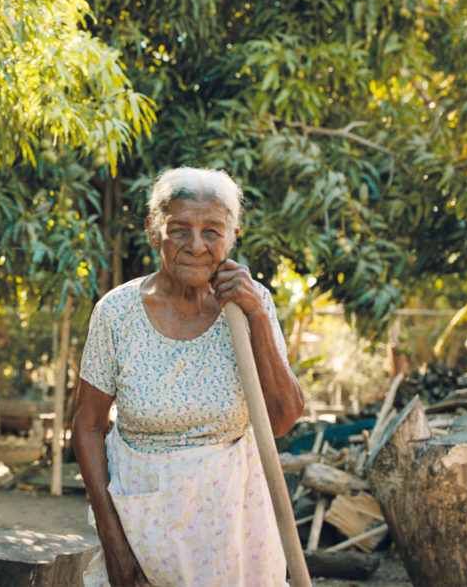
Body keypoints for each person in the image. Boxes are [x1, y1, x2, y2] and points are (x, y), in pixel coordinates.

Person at [73, 167, 305, 586]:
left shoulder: (252, 305)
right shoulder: (116, 312)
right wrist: (114, 542)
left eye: (212, 232)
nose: (196, 245)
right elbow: (87, 427)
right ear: (153, 229)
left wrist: (258, 318)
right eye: (179, 230)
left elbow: (282, 419)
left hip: (235, 523)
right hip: (144, 521)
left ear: (233, 234)